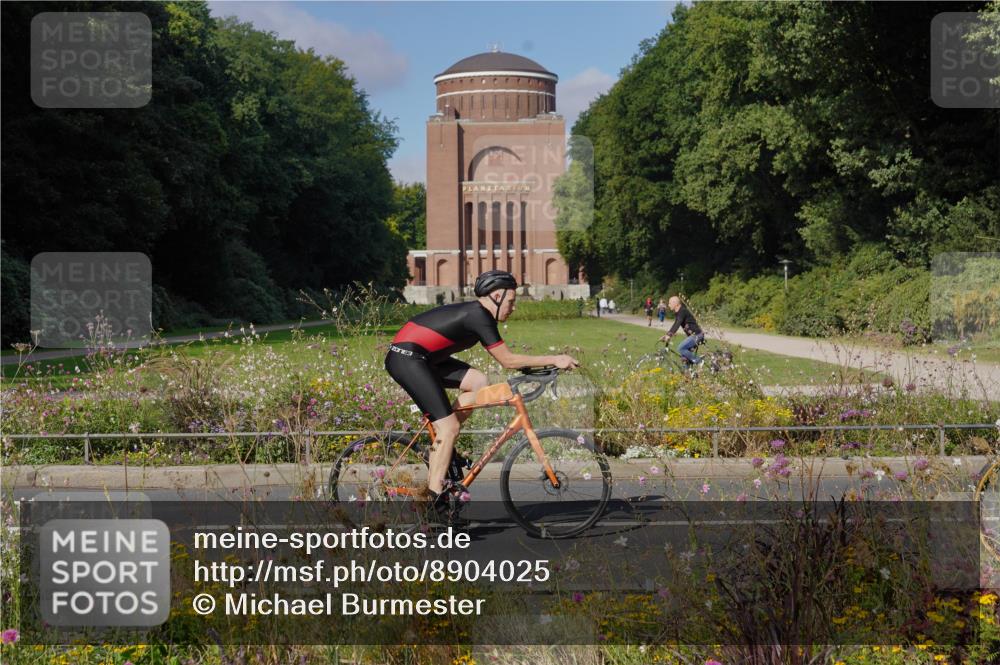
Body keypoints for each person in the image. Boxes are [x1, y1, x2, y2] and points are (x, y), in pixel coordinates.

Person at [385, 269, 579, 500]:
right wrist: (555, 358)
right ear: (496, 296)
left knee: (479, 382)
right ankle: (435, 502)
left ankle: (441, 444)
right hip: (407, 359)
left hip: (424, 358)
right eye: (511, 301)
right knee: (450, 429)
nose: (513, 307)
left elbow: (508, 363)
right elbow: (507, 360)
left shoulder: (478, 314)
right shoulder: (478, 315)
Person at [659, 296, 705, 365]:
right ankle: (689, 374)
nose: (668, 305)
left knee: (681, 348)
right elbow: (675, 324)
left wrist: (669, 335)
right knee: (685, 359)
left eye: (670, 303)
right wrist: (667, 335)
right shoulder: (678, 313)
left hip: (697, 335)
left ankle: (699, 361)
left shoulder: (682, 311)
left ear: (676, 304)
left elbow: (678, 323)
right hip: (694, 336)